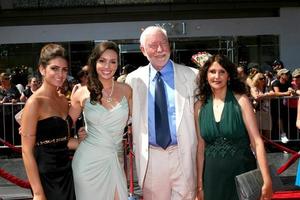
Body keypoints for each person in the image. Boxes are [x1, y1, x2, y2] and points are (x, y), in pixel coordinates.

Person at [125, 26, 198, 199]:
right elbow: (123, 116)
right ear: (143, 50)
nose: (160, 49)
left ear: (170, 45)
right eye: (153, 45)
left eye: (163, 43)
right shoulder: (133, 80)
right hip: (151, 157)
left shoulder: (193, 76)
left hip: (184, 154)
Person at [194, 54, 272, 200]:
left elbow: (256, 142)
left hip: (242, 174)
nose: (217, 76)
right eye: (212, 71)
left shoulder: (241, 101)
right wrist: (200, 185)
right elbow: (200, 147)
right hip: (212, 179)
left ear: (229, 76)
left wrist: (266, 178)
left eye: (222, 71)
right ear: (205, 76)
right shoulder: (199, 107)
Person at [69, 41, 132, 200]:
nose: (107, 66)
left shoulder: (127, 90)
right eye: (102, 61)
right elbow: (61, 127)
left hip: (114, 161)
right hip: (87, 164)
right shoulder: (81, 93)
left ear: (118, 64)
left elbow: (137, 123)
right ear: (94, 62)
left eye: (113, 61)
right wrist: (74, 139)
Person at [21, 43, 77, 200]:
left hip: (66, 170)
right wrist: (38, 193)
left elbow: (63, 140)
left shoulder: (63, 100)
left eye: (64, 69)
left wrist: (82, 139)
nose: (60, 74)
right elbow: (26, 151)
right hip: (45, 175)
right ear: (42, 69)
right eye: (54, 68)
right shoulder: (34, 102)